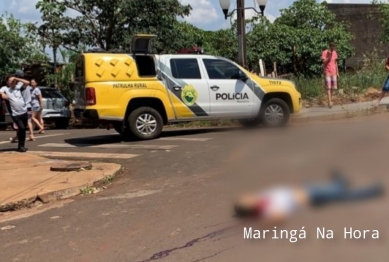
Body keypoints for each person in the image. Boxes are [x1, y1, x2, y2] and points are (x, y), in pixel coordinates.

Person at [234, 171, 383, 225]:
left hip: (305, 191)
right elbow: (279, 216)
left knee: (339, 195)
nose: (246, 196)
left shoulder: (261, 199)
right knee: (342, 194)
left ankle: (341, 182)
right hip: (308, 196)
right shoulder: (265, 209)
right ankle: (372, 190)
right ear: (248, 206)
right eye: (244, 199)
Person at [0, 75, 30, 152]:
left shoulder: (18, 87)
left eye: (13, 81)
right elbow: (1, 92)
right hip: (15, 113)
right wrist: (2, 94)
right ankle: (20, 146)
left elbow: (27, 82)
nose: (12, 82)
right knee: (22, 128)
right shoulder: (5, 88)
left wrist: (16, 78)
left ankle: (21, 146)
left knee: (22, 130)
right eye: (10, 81)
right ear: (7, 82)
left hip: (23, 111)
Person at [322, 43, 339, 108]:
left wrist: (337, 72)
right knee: (328, 87)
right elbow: (324, 62)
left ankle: (330, 100)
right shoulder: (324, 52)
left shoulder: (334, 52)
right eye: (331, 47)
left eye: (333, 48)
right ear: (329, 47)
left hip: (334, 72)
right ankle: (329, 102)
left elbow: (335, 62)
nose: (332, 49)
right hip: (327, 72)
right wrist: (329, 56)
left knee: (332, 87)